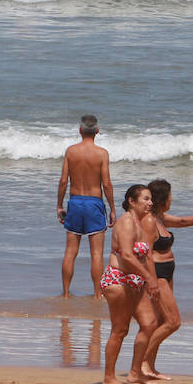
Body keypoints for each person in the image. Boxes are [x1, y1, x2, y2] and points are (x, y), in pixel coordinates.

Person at [139, 179, 193, 380]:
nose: (172, 199)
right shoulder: (148, 222)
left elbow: (180, 221)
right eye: (170, 196)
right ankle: (141, 362)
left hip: (167, 273)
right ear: (164, 199)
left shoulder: (161, 218)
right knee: (173, 322)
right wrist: (152, 281)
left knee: (159, 321)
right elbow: (145, 253)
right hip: (158, 275)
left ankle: (150, 368)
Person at [100, 185, 160, 384]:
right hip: (118, 280)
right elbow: (126, 255)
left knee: (150, 322)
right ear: (132, 201)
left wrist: (150, 280)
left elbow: (146, 255)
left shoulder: (140, 223)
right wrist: (149, 278)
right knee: (120, 329)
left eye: (150, 199)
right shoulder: (126, 222)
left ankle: (135, 373)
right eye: (145, 199)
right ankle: (109, 378)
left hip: (135, 280)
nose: (150, 203)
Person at [58, 115, 115, 298]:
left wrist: (59, 205)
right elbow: (106, 184)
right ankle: (98, 295)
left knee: (70, 252)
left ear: (80, 130)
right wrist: (113, 209)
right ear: (97, 130)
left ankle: (66, 293)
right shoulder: (102, 153)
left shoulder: (71, 151)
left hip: (75, 202)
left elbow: (63, 181)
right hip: (94, 203)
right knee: (97, 253)